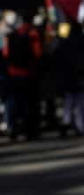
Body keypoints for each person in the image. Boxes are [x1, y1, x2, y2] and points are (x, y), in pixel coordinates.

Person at [2, 10, 42, 139]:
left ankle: (13, 127)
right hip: (29, 74)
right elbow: (38, 53)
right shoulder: (32, 34)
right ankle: (30, 130)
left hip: (13, 74)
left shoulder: (11, 36)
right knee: (29, 103)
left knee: (14, 103)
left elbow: (6, 54)